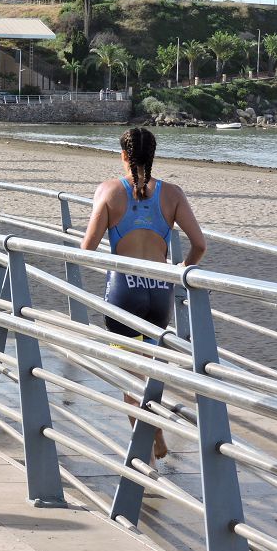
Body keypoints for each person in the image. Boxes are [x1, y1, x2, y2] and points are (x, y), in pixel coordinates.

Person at [80, 127, 205, 462]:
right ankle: (158, 434)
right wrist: (180, 270)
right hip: (160, 290)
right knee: (153, 371)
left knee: (129, 378)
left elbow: (87, 249)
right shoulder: (173, 194)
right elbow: (200, 245)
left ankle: (146, 452)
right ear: (153, 156)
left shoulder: (108, 191)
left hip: (124, 292)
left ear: (123, 156)